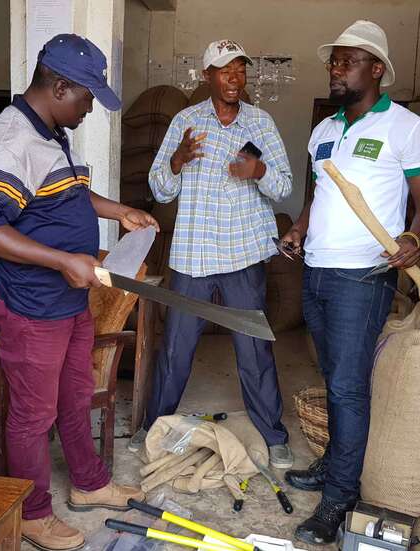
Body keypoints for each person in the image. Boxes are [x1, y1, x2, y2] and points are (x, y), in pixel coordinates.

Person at [0, 34, 155, 551]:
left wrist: (117, 211)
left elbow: (65, 195)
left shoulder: (48, 131)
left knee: (75, 395)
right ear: (60, 86)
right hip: (30, 302)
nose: (91, 107)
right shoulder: (10, 140)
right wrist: (62, 259)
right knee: (32, 414)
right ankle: (32, 513)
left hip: (67, 299)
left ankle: (89, 486)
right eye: (88, 96)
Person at [279, 21, 420, 545]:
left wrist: (413, 238)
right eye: (334, 61)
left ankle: (339, 498)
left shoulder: (406, 127)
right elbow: (317, 198)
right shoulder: (324, 131)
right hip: (318, 269)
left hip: (362, 276)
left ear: (376, 70)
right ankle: (334, 466)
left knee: (348, 388)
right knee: (333, 377)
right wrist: (300, 231)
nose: (336, 68)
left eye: (347, 61)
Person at [130, 39, 295, 469]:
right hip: (194, 256)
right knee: (176, 349)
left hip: (243, 255)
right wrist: (177, 160)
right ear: (208, 76)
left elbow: (284, 187)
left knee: (253, 349)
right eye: (225, 70)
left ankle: (274, 435)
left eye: (240, 69)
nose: (234, 78)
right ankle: (153, 425)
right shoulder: (186, 122)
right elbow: (158, 188)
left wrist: (258, 171)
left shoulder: (260, 123)